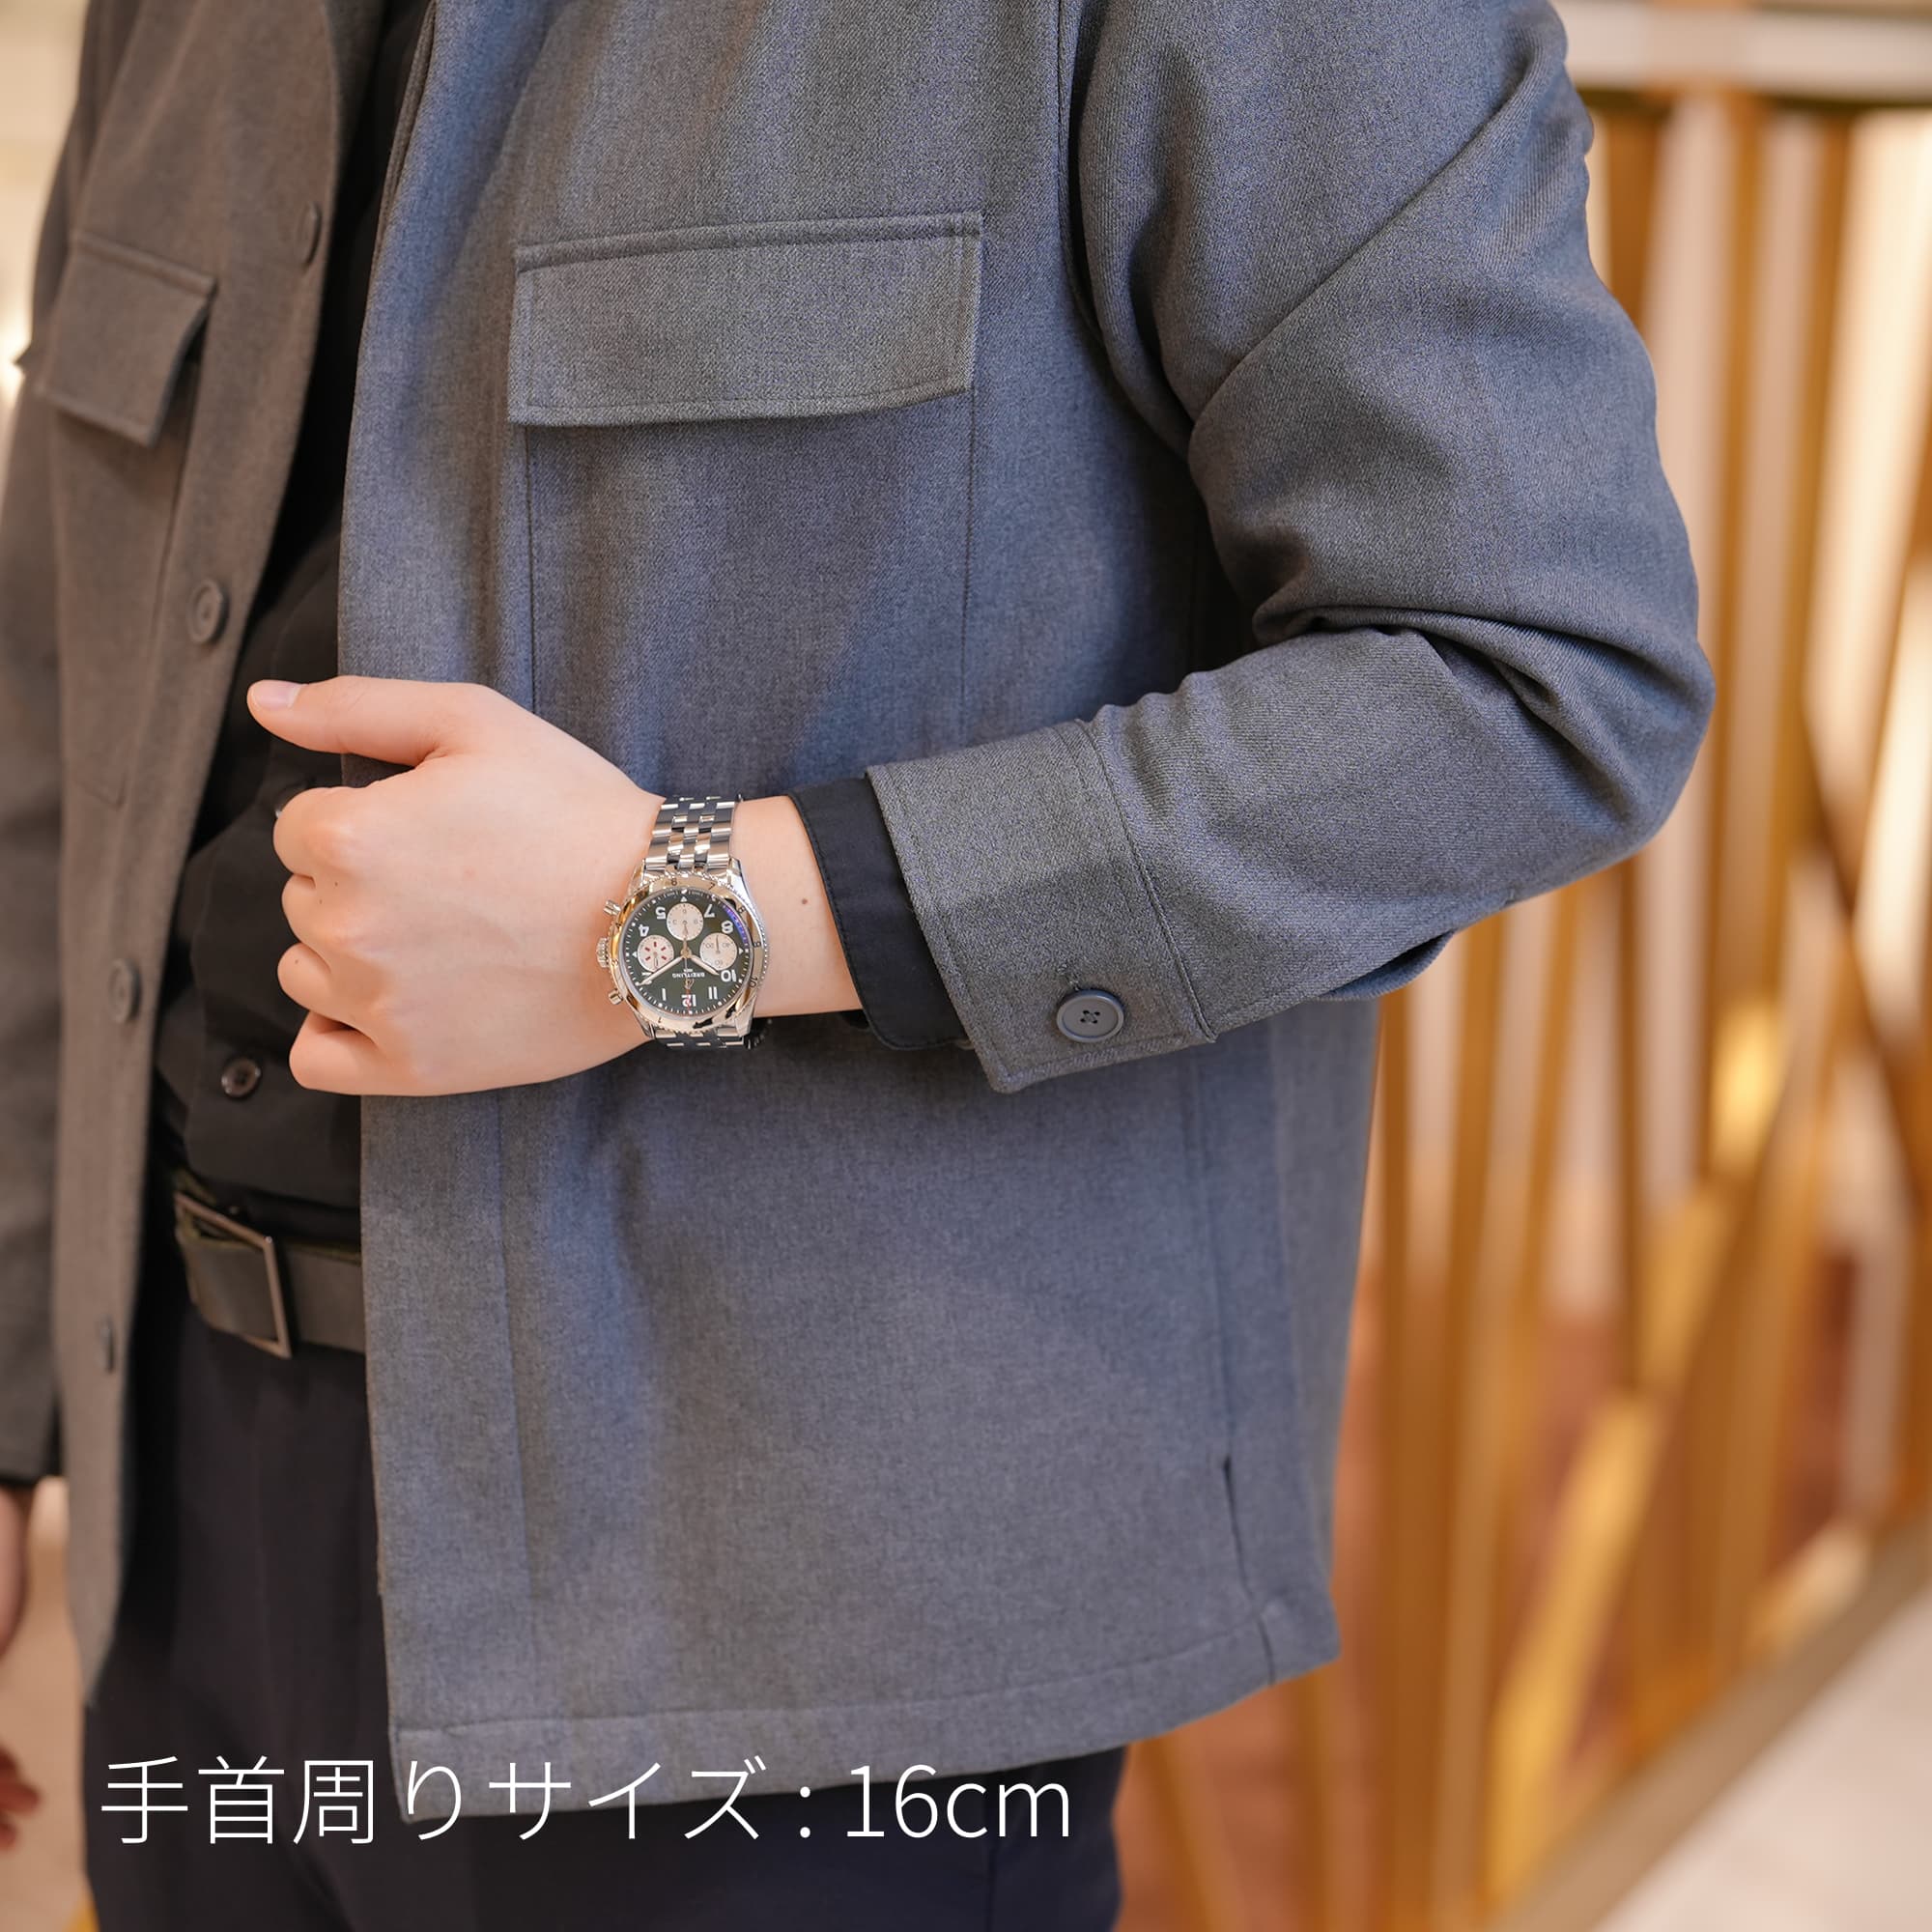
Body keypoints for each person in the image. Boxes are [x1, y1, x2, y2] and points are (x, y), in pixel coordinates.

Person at [0, 0, 1714, 1924]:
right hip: (183, 1495)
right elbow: (54, 705)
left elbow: (1528, 680)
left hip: (799, 1600)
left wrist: (675, 917)